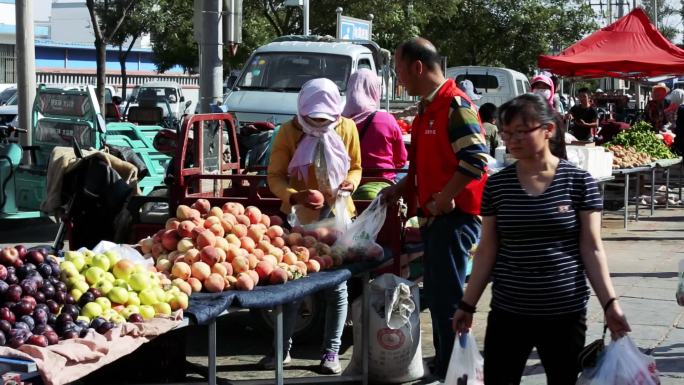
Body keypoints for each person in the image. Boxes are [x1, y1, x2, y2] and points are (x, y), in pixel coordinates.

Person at [452, 93, 631, 385]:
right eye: (507, 133)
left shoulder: (579, 182)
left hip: (565, 312)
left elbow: (592, 248)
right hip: (509, 311)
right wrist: (467, 304)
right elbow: (487, 249)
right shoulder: (497, 185)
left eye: (521, 132)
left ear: (547, 130)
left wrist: (610, 304)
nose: (512, 140)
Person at [383, 37, 489, 381]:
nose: (399, 79)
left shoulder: (455, 104)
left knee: (447, 299)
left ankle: (453, 369)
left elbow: (476, 159)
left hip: (454, 219)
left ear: (418, 67)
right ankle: (447, 363)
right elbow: (422, 163)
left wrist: (446, 195)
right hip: (434, 216)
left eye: (400, 70)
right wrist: (403, 186)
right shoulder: (427, 107)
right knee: (442, 297)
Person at [265, 78, 362, 374]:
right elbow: (276, 176)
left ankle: (331, 352)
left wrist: (350, 183)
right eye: (313, 119)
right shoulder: (288, 132)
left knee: (337, 288)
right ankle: (281, 350)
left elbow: (356, 167)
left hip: (338, 217)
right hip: (300, 221)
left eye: (325, 119)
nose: (319, 124)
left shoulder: (347, 127)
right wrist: (296, 197)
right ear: (301, 111)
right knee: (294, 285)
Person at [342, 68, 407, 182]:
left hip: (349, 182)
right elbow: (401, 160)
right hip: (383, 182)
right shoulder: (387, 120)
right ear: (375, 89)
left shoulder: (339, 122)